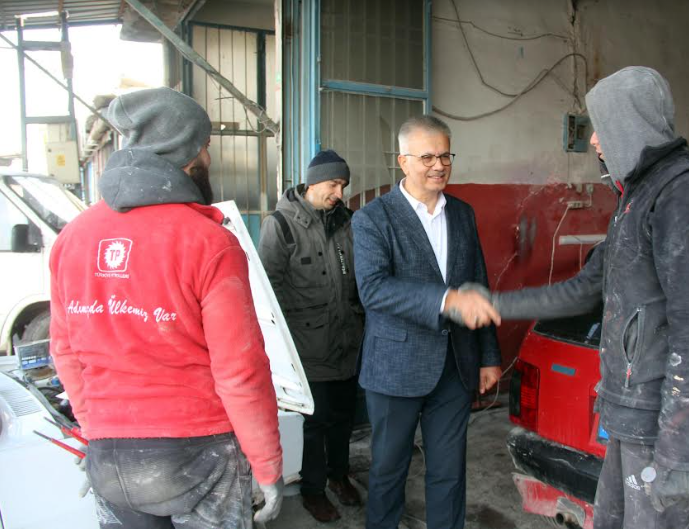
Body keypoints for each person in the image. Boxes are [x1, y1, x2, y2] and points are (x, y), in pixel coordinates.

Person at [465, 67, 689, 529]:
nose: (594, 140)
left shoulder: (686, 195)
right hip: (633, 414)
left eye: (602, 126)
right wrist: (497, 305)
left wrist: (674, 454)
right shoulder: (637, 196)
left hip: (659, 425)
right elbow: (585, 288)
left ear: (631, 123)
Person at [49, 87, 284, 529]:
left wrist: (95, 429)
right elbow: (239, 371)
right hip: (200, 454)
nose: (209, 160)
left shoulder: (71, 239)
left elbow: (64, 353)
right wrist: (267, 466)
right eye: (206, 147)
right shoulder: (209, 242)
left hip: (112, 460)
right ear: (186, 151)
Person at [352, 115, 502, 529]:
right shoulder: (372, 219)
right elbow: (375, 290)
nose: (438, 165)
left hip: (455, 366)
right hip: (395, 368)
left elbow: (478, 285)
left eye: (445, 155)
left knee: (449, 474)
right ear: (403, 161)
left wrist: (489, 356)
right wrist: (445, 299)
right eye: (427, 157)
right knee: (387, 472)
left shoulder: (463, 215)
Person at [257, 149, 364, 522]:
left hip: (348, 342)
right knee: (315, 424)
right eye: (334, 184)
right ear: (312, 181)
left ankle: (339, 476)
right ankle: (313, 490)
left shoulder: (348, 222)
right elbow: (268, 291)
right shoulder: (281, 225)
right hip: (306, 347)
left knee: (343, 417)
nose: (339, 192)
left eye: (343, 185)